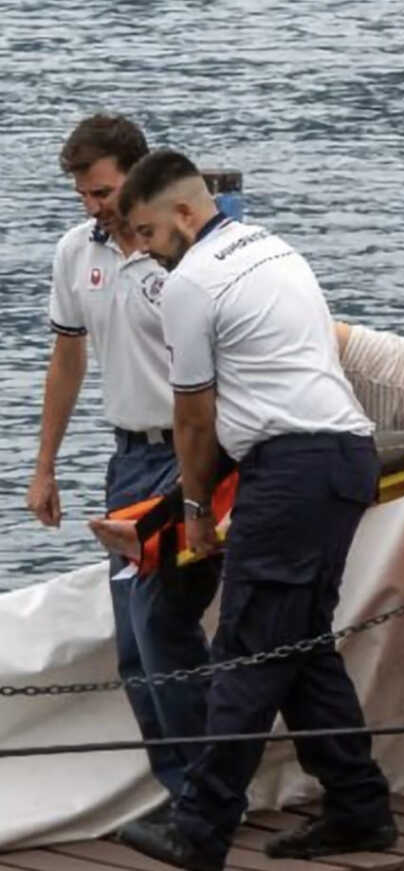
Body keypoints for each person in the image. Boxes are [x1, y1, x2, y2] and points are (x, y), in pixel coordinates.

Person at [115, 149, 395, 871]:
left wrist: (197, 507)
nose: (143, 251)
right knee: (297, 646)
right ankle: (360, 807)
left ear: (184, 212)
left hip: (293, 468)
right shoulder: (272, 245)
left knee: (246, 649)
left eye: (146, 233)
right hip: (343, 454)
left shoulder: (190, 283)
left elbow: (194, 417)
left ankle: (199, 827)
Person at [24, 115, 218, 817]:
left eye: (101, 191)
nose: (92, 206)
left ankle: (208, 791)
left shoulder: (180, 255)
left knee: (165, 629)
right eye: (82, 194)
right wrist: (44, 465)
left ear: (135, 178)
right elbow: (67, 355)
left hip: (189, 455)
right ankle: (181, 789)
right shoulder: (76, 252)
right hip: (127, 459)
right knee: (136, 646)